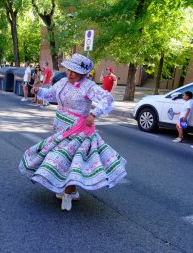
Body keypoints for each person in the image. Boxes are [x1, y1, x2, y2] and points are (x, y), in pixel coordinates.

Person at [19, 53, 127, 211]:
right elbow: (50, 94)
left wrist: (94, 113)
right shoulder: (62, 81)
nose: (69, 74)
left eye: (74, 72)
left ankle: (68, 194)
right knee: (65, 160)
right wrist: (38, 91)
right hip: (62, 127)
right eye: (69, 70)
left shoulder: (88, 86)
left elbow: (107, 99)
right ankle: (72, 190)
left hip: (80, 129)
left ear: (83, 74)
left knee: (69, 159)